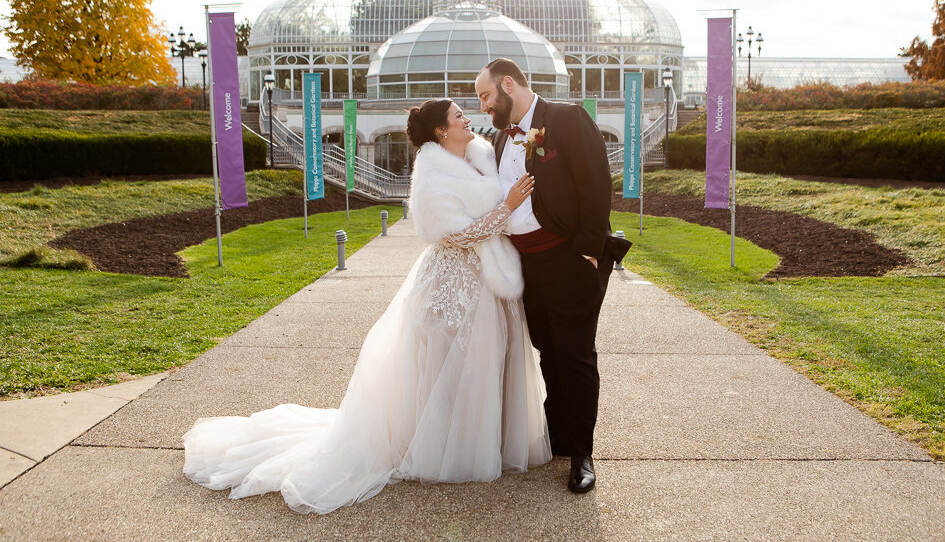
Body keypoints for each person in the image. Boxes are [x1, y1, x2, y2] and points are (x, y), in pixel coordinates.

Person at [182, 98, 551, 514]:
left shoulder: (482, 156)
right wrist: (508, 207)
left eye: (465, 113)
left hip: (487, 278)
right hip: (452, 281)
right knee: (447, 361)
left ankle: (485, 438)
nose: (467, 119)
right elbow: (454, 235)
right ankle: (444, 446)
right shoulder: (431, 173)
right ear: (440, 132)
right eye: (458, 116)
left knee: (483, 362)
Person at [475, 58, 619, 494]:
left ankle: (582, 454)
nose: (483, 107)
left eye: (485, 96)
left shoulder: (566, 118)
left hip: (569, 260)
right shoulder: (499, 139)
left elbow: (596, 182)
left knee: (575, 356)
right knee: (547, 352)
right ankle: (558, 437)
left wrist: (590, 253)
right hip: (527, 267)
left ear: (508, 85)